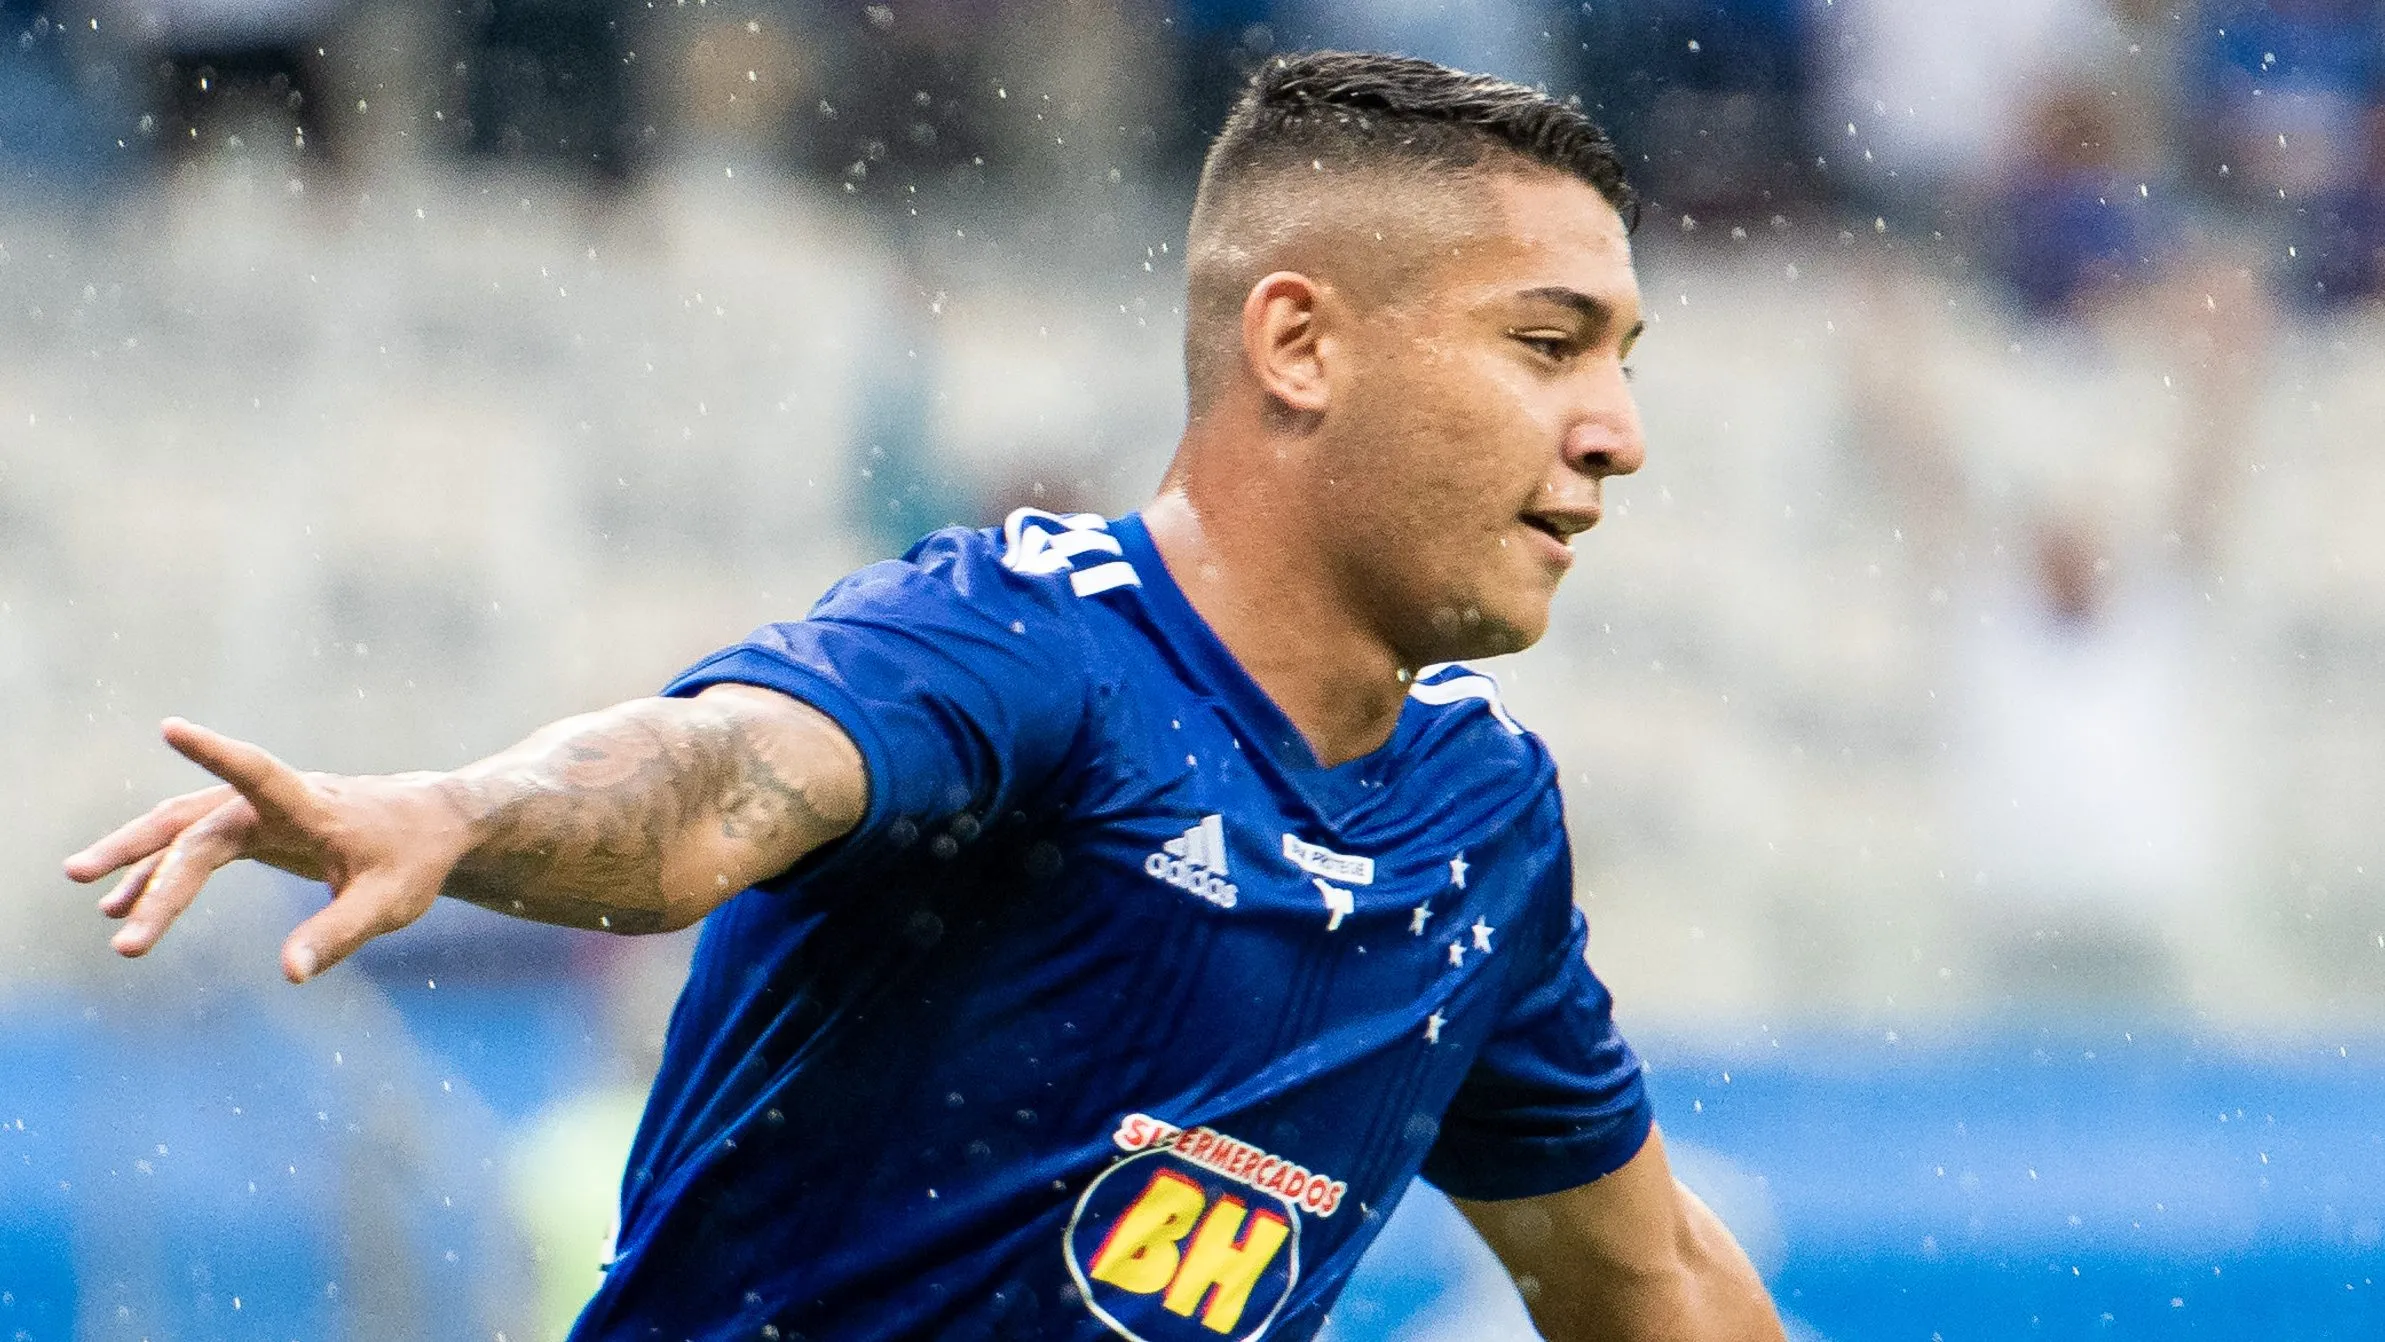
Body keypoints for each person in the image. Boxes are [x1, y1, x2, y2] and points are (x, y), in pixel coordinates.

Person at [65, 51, 1785, 1342]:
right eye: (1548, 344)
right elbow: (714, 782)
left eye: (1624, 362)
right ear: (1300, 344)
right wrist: (464, 809)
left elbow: (1646, 1277)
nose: (1619, 432)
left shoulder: (1479, 822)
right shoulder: (1027, 642)